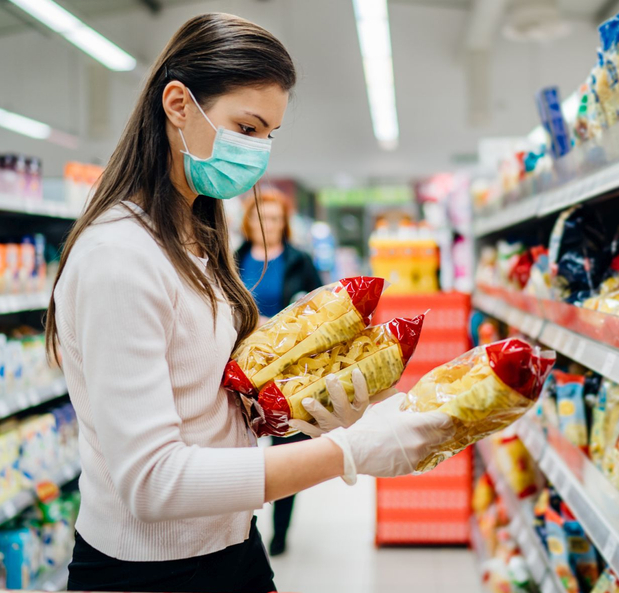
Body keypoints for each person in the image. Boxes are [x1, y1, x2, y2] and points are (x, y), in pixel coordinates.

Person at [46, 13, 452, 593]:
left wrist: (307, 401)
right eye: (246, 126)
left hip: (232, 547)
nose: (258, 153)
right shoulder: (118, 257)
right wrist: (348, 451)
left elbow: (205, 396)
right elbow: (153, 482)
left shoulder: (192, 236)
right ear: (178, 104)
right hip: (149, 575)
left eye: (268, 135)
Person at [235, 191, 321, 556]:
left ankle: (280, 532)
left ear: (283, 223)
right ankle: (243, 526)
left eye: (273, 219)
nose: (266, 225)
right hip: (242, 370)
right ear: (248, 222)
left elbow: (321, 308)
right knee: (241, 450)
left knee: (286, 450)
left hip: (289, 372)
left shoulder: (300, 261)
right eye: (260, 218)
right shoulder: (232, 258)